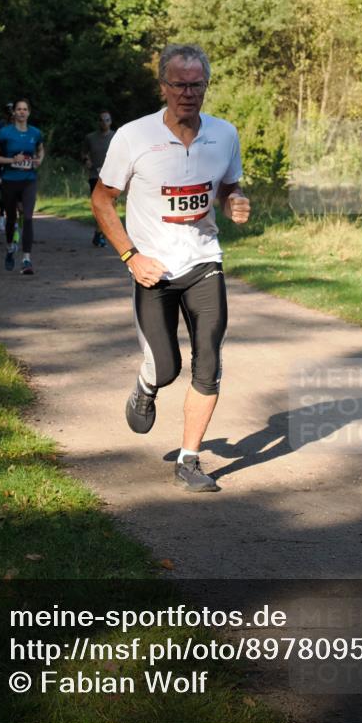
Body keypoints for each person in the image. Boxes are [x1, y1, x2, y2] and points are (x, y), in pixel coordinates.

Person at [92, 44, 251, 493]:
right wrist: (131, 256)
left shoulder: (224, 134)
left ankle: (190, 459)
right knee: (167, 368)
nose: (187, 93)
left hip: (203, 262)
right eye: (178, 84)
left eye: (196, 84)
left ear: (206, 86)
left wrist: (234, 201)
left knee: (210, 359)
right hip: (152, 270)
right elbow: (102, 200)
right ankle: (147, 383)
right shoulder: (133, 136)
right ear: (163, 86)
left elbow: (229, 186)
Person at [0, 98, 44, 275]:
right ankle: (10, 247)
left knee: (28, 218)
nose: (21, 112)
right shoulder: (5, 133)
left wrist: (38, 161)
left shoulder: (35, 133)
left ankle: (26, 259)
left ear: (29, 112)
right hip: (10, 180)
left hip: (29, 179)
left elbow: (40, 150)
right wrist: (12, 160)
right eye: (18, 109)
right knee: (11, 219)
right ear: (14, 112)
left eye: (24, 109)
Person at [82, 109, 115, 247]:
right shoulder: (90, 137)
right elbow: (84, 153)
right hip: (95, 176)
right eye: (102, 120)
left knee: (109, 207)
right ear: (98, 122)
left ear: (111, 121)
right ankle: (100, 234)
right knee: (99, 207)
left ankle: (100, 234)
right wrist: (86, 161)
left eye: (107, 120)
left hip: (112, 176)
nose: (104, 123)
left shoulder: (116, 136)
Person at [0, 103, 14, 231]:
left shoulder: (19, 126)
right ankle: (0, 215)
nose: (11, 115)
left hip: (14, 161)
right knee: (1, 190)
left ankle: (11, 218)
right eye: (8, 112)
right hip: (0, 161)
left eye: (12, 112)